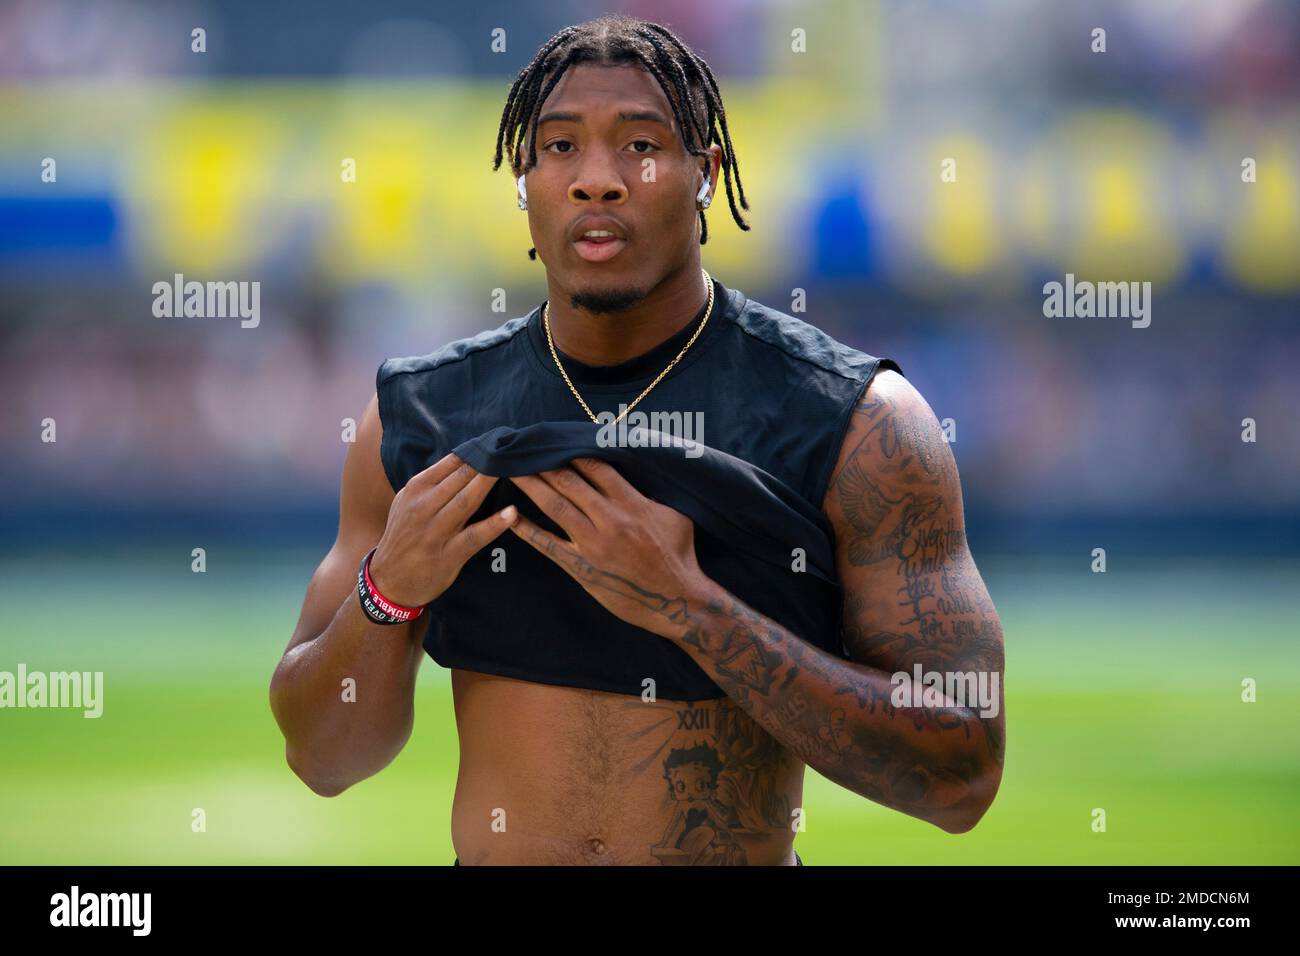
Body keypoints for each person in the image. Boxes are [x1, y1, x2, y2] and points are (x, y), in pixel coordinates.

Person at [269, 14, 1005, 866]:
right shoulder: (421, 419)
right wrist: (388, 591)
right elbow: (321, 759)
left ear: (706, 174)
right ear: (524, 179)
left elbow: (963, 776)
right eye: (558, 147)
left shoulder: (854, 420)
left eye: (642, 145)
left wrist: (693, 610)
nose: (596, 181)